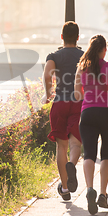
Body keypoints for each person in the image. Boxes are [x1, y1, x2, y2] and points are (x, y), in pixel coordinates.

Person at [74, 35, 108, 215]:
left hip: (88, 114)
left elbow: (77, 95)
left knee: (88, 154)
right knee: (106, 154)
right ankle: (102, 193)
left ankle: (89, 189)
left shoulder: (81, 68)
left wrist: (88, 91)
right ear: (104, 50)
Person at [43, 21, 84, 201]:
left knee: (61, 145)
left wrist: (48, 93)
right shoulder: (84, 56)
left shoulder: (54, 56)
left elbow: (47, 75)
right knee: (76, 143)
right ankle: (72, 166)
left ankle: (65, 188)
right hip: (78, 102)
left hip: (59, 101)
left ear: (62, 37)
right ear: (77, 37)